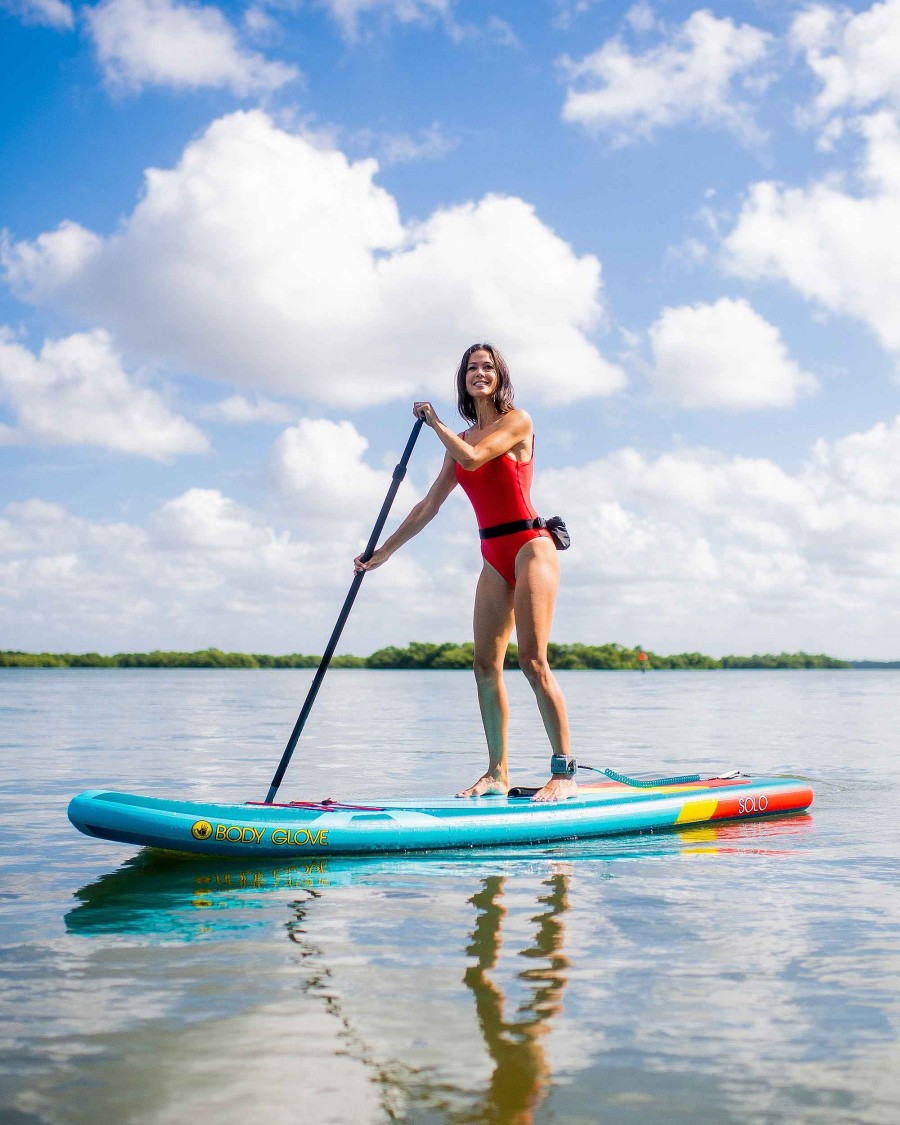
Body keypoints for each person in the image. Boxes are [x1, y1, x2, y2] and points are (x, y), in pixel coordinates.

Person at [354, 343, 576, 802]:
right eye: (473, 367)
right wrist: (385, 552)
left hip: (531, 546)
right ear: (464, 379)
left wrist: (434, 423)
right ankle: (497, 772)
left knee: (533, 663)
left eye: (488, 367)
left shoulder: (517, 422)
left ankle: (564, 774)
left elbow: (477, 459)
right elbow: (427, 506)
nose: (480, 372)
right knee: (483, 666)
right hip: (492, 553)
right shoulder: (460, 440)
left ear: (499, 377)